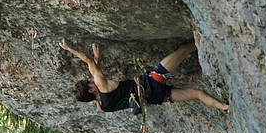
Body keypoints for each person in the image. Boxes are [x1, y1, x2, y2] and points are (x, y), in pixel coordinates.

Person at [60, 39, 230, 113]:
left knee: (198, 94)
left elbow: (97, 72)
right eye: (90, 83)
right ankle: (212, 38)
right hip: (151, 82)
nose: (92, 82)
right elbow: (90, 63)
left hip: (155, 97)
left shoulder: (102, 107)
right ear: (91, 88)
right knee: (183, 49)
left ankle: (225, 108)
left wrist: (97, 58)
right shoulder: (100, 84)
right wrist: (70, 49)